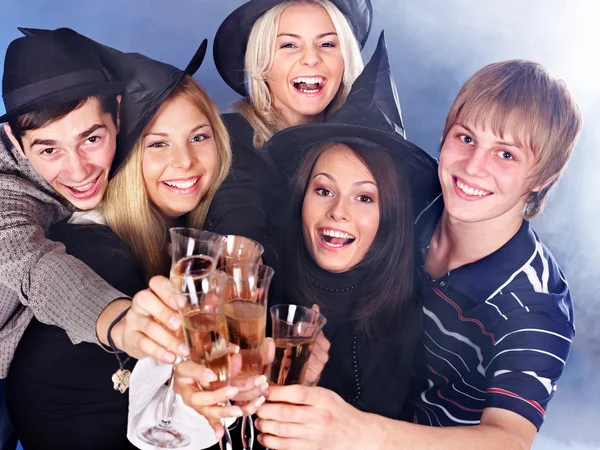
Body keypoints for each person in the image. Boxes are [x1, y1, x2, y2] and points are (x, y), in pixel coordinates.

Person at [254, 60, 582, 449]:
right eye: (465, 139)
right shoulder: (416, 204)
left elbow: (509, 441)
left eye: (506, 155)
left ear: (543, 177)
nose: (474, 167)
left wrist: (357, 432)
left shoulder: (535, 305)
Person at [172, 32, 440, 448]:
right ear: (302, 195)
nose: (339, 212)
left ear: (391, 214)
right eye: (323, 189)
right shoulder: (258, 298)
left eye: (365, 197)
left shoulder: (411, 311)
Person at [5, 29, 232, 449]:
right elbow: (34, 266)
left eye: (91, 139)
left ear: (118, 120)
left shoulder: (170, 226)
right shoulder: (12, 196)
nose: (77, 171)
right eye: (49, 149)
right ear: (17, 145)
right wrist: (118, 322)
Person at [205, 0, 372, 265]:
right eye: (289, 45)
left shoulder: (364, 147)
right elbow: (237, 202)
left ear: (346, 60)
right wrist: (241, 254)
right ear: (261, 64)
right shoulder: (231, 134)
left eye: (327, 44)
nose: (311, 58)